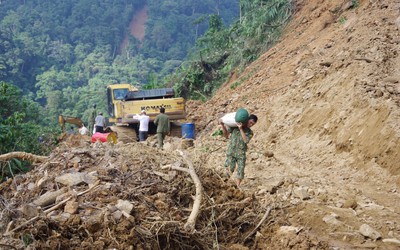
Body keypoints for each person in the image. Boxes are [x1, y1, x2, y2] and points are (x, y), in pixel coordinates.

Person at [220, 114, 258, 188]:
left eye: (253, 124)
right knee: (229, 169)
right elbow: (226, 135)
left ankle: (237, 187)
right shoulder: (234, 127)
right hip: (231, 151)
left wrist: (241, 129)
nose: (251, 125)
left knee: (240, 171)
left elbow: (246, 141)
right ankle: (224, 185)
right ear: (247, 120)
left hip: (241, 153)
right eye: (250, 122)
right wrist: (222, 126)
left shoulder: (249, 132)